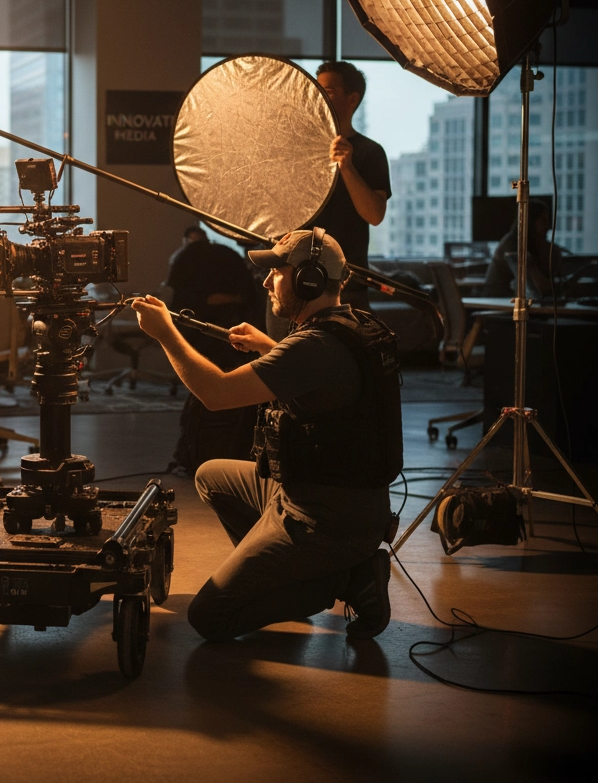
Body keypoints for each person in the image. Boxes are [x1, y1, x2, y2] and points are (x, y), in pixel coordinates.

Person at [132, 228, 401, 642]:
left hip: (322, 521)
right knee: (210, 475)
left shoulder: (312, 347)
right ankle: (287, 579)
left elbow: (216, 394)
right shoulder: (351, 326)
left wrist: (166, 332)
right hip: (326, 497)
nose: (265, 282)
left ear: (305, 280)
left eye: (276, 272)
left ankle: (349, 580)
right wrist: (268, 348)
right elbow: (319, 381)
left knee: (209, 617)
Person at [165, 224, 263, 475]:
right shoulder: (227, 258)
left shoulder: (185, 261)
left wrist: (165, 333)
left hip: (206, 342)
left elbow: (179, 307)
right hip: (233, 340)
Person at [308, 61, 392, 311]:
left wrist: (347, 166)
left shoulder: (370, 152)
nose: (319, 96)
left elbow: (375, 215)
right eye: (316, 89)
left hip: (346, 285)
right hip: (294, 281)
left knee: (343, 349)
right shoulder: (299, 150)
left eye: (329, 91)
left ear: (352, 99)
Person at [482, 200, 560, 298]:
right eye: (543, 221)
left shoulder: (535, 244)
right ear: (530, 221)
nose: (548, 226)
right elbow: (536, 286)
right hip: (499, 301)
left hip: (513, 300)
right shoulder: (512, 244)